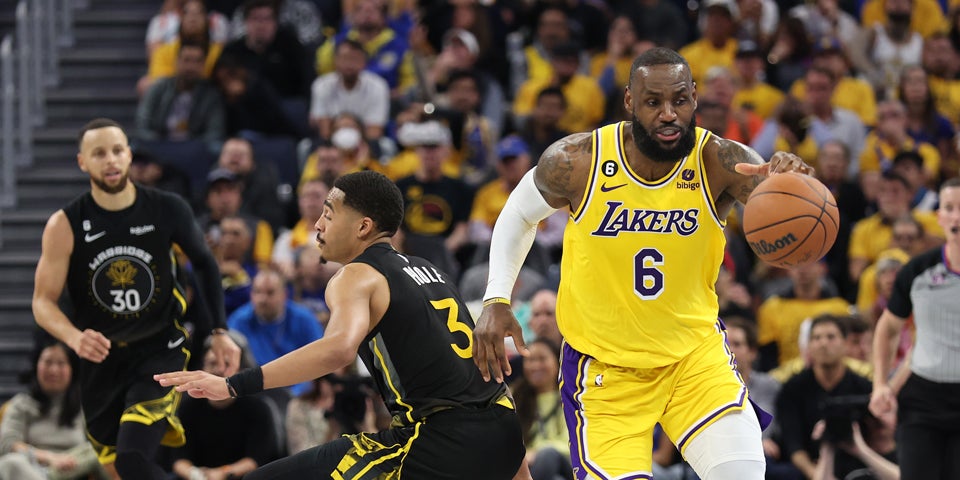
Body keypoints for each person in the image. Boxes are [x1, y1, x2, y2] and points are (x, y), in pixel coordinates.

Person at [473, 47, 814, 479]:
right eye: (653, 102)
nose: (669, 114)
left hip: (693, 359)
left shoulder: (722, 161)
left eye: (680, 100)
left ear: (694, 97)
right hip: (605, 371)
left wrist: (792, 181)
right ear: (630, 102)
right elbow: (518, 213)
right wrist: (496, 298)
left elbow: (791, 208)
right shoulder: (579, 159)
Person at [156, 170, 526, 479]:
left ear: (363, 226)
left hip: (435, 440)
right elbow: (485, 380)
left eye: (329, 214)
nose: (317, 225)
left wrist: (231, 385)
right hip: (501, 433)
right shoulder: (433, 272)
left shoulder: (356, 275)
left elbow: (337, 350)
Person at [31, 118, 241, 479]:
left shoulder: (167, 208)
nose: (111, 160)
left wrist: (220, 331)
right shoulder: (64, 224)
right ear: (82, 162)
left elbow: (206, 264)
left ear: (128, 155)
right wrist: (75, 338)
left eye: (117, 151)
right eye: (99, 153)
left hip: (159, 351)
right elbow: (42, 302)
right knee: (117, 469)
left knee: (132, 459)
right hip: (101, 362)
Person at [870, 177, 960, 480]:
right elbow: (887, 329)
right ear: (940, 217)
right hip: (922, 400)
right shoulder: (917, 271)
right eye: (950, 208)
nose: (957, 217)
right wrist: (880, 384)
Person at [0, 340, 106, 480]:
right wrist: (50, 458)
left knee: (97, 452)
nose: (53, 370)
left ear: (72, 369)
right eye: (48, 362)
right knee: (11, 463)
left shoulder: (85, 408)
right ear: (37, 366)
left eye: (61, 363)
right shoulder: (20, 405)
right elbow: (7, 445)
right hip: (30, 470)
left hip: (72, 470)